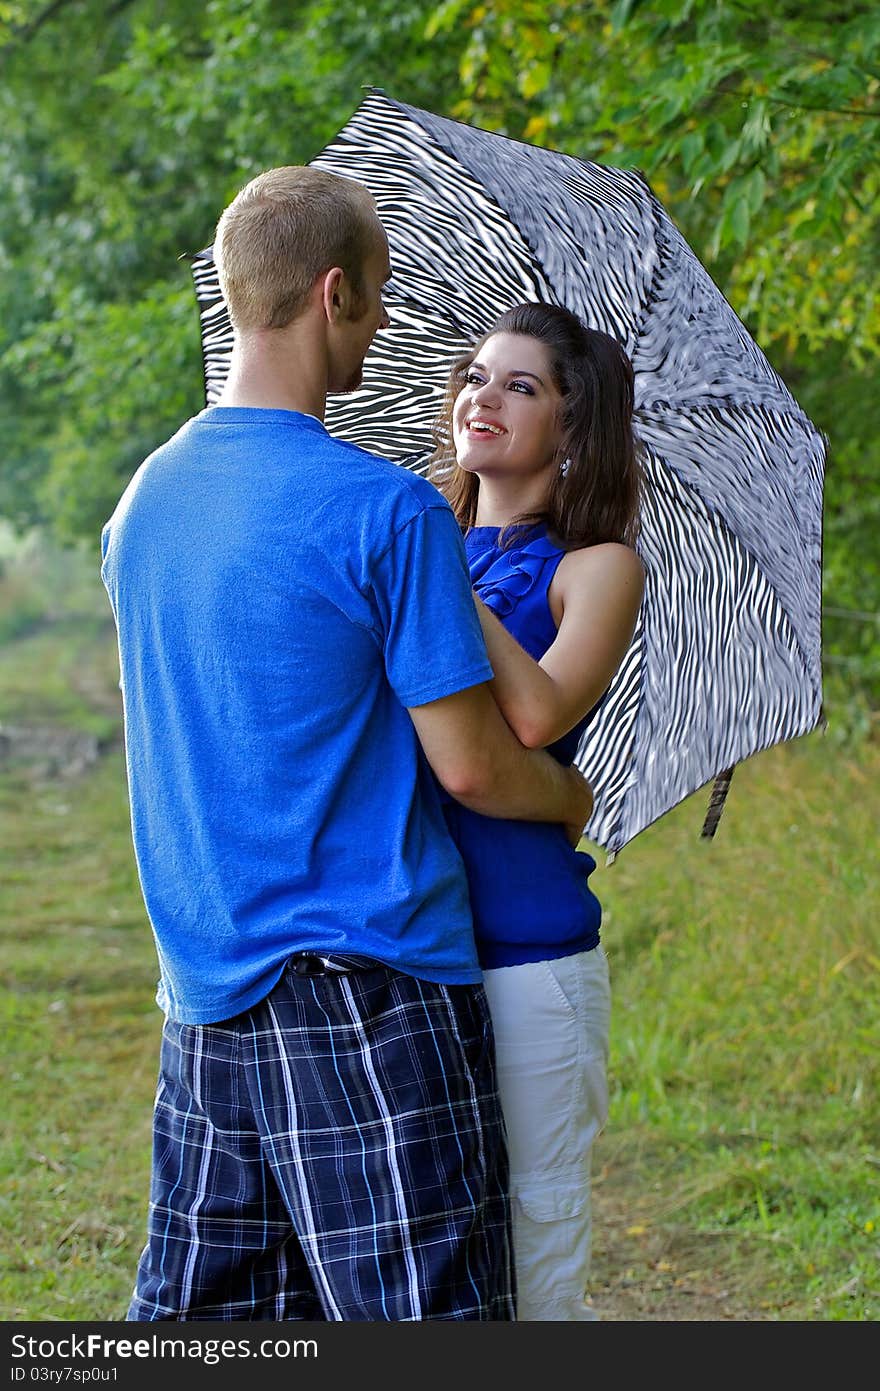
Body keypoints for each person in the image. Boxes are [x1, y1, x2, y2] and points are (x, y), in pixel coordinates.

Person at [100, 168, 593, 1322]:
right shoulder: (387, 511)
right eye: (375, 298)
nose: (377, 325)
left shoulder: (144, 503)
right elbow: (473, 761)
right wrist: (568, 798)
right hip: (369, 991)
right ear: (333, 293)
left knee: (210, 1329)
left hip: (204, 992)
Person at [429, 301, 645, 1321]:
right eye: (476, 374)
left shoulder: (595, 568)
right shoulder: (418, 548)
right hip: (404, 946)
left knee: (535, 1239)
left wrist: (434, 570)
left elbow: (537, 710)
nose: (484, 395)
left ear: (573, 427)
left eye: (522, 385)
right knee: (430, 1244)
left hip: (527, 956)